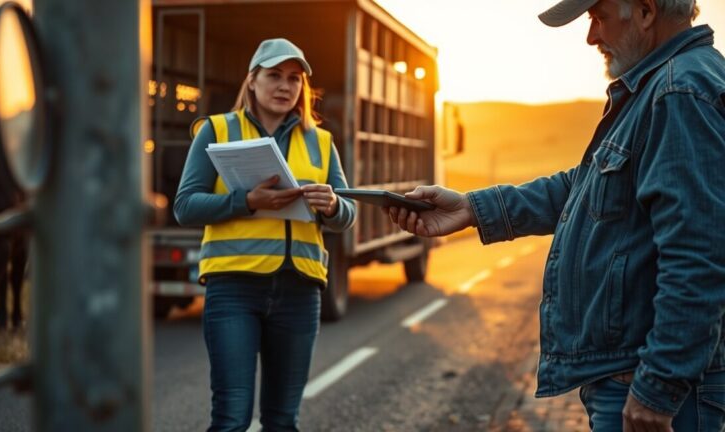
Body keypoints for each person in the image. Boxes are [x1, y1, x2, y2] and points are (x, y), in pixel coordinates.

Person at [388, 0, 725, 430]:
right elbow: (583, 188)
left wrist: (660, 386)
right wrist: (473, 208)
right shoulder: (659, 88)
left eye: (597, 18)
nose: (592, 37)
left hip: (651, 389)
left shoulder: (680, 92)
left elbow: (700, 256)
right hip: (630, 378)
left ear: (643, 11)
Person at [174, 38, 356, 432]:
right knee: (231, 420)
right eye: (274, 75)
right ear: (252, 80)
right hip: (233, 289)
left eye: (294, 78)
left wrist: (333, 206)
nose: (285, 85)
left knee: (282, 421)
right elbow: (185, 206)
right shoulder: (217, 130)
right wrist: (248, 202)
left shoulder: (321, 141)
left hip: (299, 292)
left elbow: (347, 215)